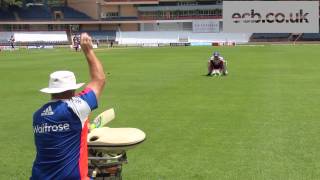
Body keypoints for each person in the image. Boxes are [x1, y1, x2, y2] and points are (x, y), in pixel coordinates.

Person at [30, 33, 106, 180]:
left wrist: (82, 127)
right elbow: (99, 79)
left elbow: (60, 133)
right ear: (73, 89)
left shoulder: (37, 115)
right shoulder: (77, 108)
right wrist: (88, 50)